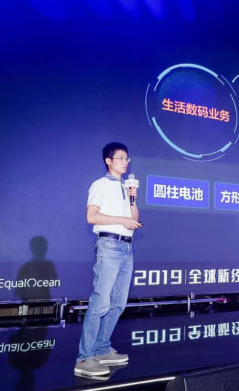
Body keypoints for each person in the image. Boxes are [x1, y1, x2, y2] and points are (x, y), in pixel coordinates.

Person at [75, 142, 141, 378]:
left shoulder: (126, 187)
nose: (125, 162)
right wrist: (121, 220)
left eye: (127, 158)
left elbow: (134, 218)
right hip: (109, 245)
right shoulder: (100, 185)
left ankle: (102, 349)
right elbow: (91, 216)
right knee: (100, 303)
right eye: (120, 158)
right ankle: (84, 358)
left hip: (127, 247)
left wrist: (132, 200)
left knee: (118, 303)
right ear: (108, 161)